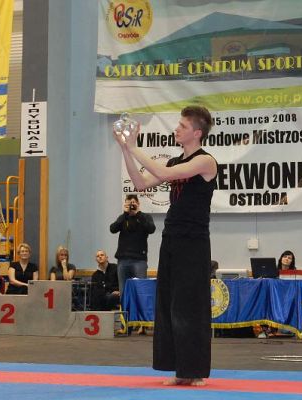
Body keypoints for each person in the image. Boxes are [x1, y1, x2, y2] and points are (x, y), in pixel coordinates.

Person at [112, 105, 217, 386]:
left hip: (194, 242)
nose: (176, 129)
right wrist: (125, 150)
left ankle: (195, 370)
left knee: (190, 305)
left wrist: (134, 146)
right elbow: (140, 183)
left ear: (197, 133)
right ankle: (178, 369)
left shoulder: (206, 162)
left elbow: (166, 173)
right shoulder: (173, 161)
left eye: (182, 126)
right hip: (171, 238)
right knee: (169, 304)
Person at [110, 194, 156, 295]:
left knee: (140, 291)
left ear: (138, 204)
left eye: (133, 203)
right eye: (129, 204)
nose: (131, 206)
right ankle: (125, 306)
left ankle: (139, 307)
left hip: (139, 260)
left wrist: (138, 214)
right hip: (123, 260)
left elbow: (151, 229)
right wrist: (124, 214)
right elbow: (112, 229)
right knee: (123, 291)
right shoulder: (123, 218)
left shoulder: (145, 217)